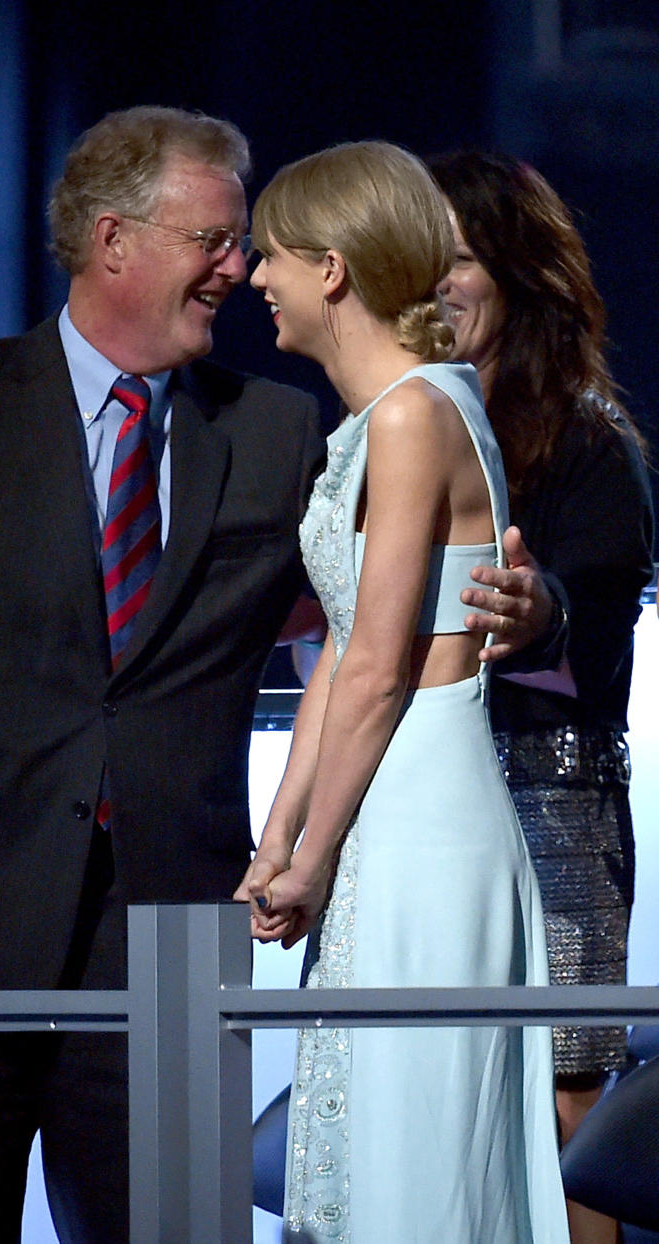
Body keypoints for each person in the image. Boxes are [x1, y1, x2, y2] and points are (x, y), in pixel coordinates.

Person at [0, 105, 325, 1244]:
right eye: (214, 240)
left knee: (168, 1231)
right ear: (114, 240)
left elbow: (368, 601)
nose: (240, 266)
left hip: (174, 930)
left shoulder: (275, 431)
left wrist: (528, 602)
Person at [237, 141, 569, 1242]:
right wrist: (280, 838)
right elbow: (340, 653)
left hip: (424, 808)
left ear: (333, 269)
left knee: (416, 1158)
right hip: (380, 801)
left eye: (271, 255)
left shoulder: (417, 411)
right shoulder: (383, 416)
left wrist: (314, 853)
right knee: (369, 1137)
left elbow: (382, 665)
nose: (253, 278)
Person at [430, 149, 655, 1244]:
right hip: (428, 814)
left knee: (571, 1094)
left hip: (552, 817)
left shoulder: (585, 439)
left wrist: (536, 612)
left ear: (517, 276)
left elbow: (588, 606)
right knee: (436, 1088)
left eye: (459, 259)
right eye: (418, 259)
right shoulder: (401, 423)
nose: (435, 284)